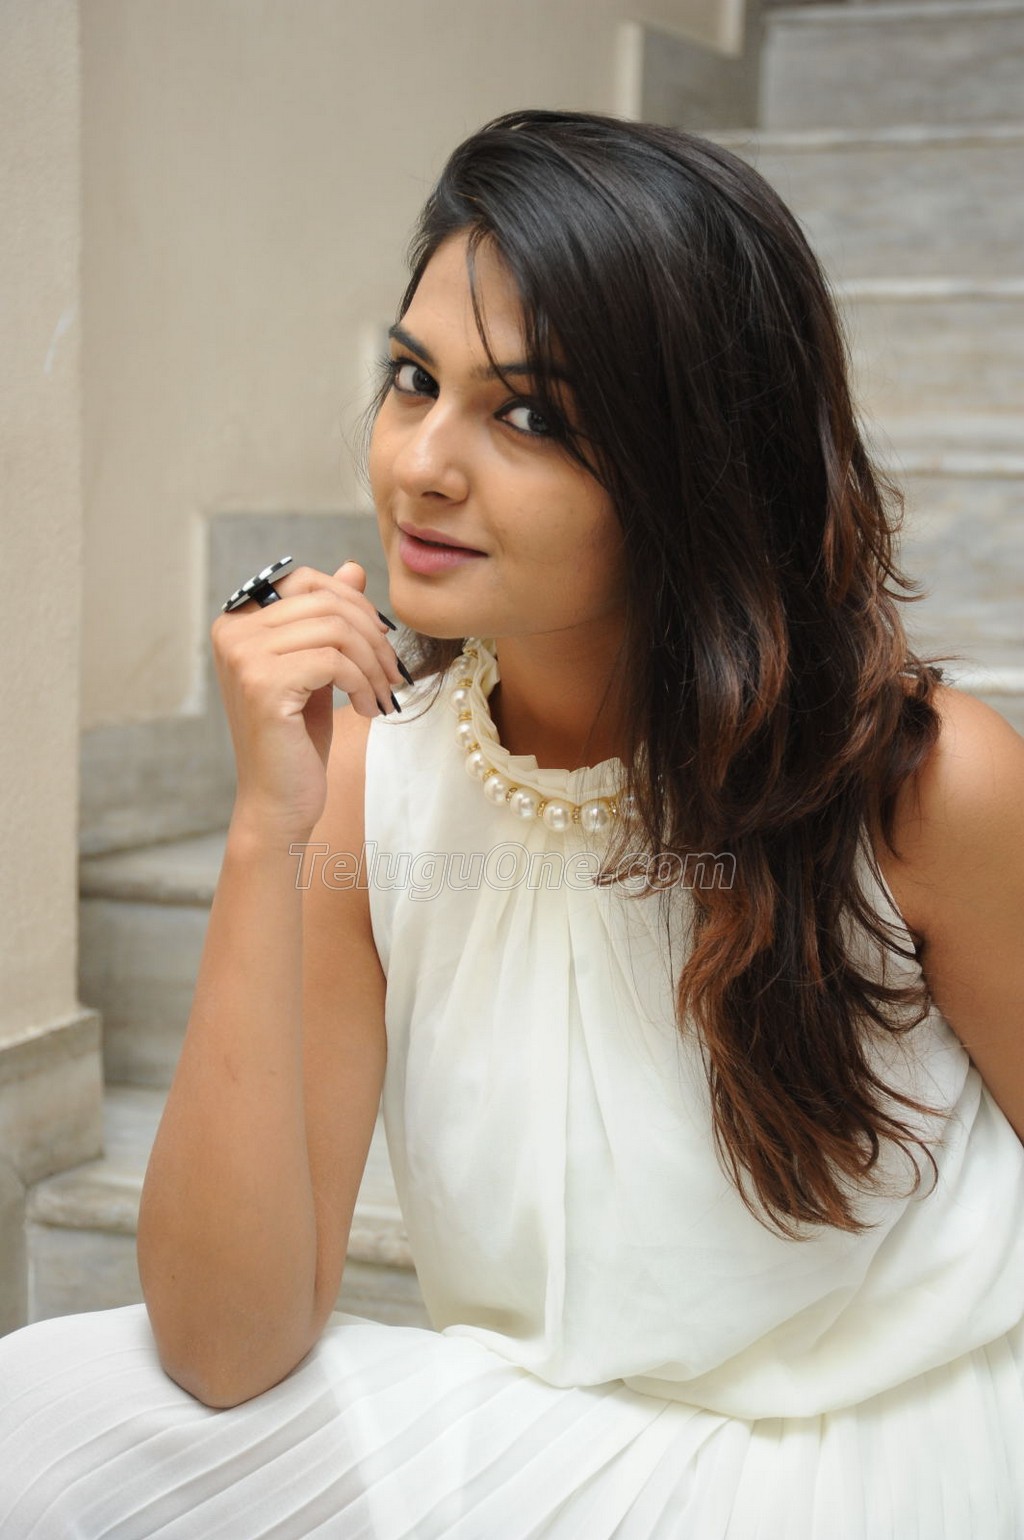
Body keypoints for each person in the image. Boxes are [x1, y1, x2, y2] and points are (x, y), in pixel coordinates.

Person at [1, 107, 1022, 1539]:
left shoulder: (921, 784)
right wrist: (266, 827)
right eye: (413, 379)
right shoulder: (375, 781)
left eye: (529, 415)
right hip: (562, 1452)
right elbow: (225, 1349)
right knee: (46, 1417)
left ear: (691, 462)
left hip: (906, 1458)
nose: (423, 462)